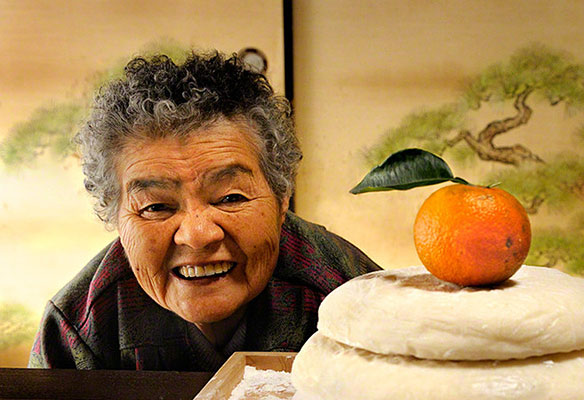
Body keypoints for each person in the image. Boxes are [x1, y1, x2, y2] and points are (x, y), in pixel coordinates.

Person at [29, 52, 380, 370]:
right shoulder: (78, 327)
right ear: (115, 216)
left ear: (282, 197)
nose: (197, 235)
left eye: (230, 198)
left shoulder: (358, 301)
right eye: (156, 206)